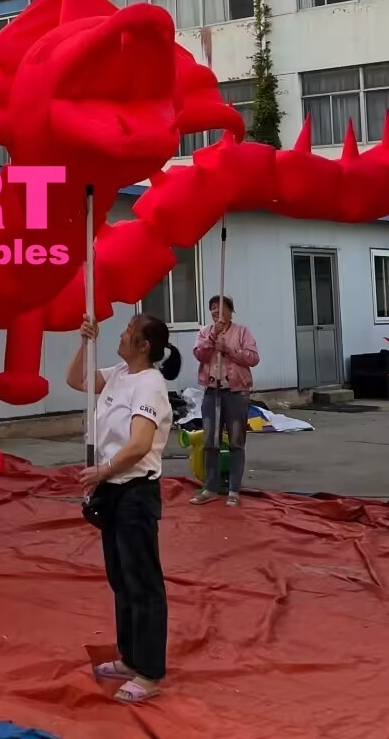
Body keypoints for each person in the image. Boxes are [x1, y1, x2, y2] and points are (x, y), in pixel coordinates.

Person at [68, 313, 181, 705]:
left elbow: (138, 444)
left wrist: (101, 470)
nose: (121, 336)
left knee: (143, 582)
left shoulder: (150, 385)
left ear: (144, 346)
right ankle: (130, 657)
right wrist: (85, 343)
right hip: (112, 491)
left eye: (128, 333)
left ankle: (149, 672)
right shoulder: (119, 373)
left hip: (134, 492)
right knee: (120, 577)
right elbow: (77, 382)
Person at [190, 295, 260, 507]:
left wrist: (229, 349)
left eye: (220, 308)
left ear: (230, 311)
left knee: (237, 441)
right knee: (210, 441)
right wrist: (213, 338)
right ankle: (210, 487)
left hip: (236, 393)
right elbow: (199, 355)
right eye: (212, 308)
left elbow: (253, 358)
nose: (215, 312)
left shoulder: (242, 332)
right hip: (212, 392)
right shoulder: (204, 332)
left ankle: (234, 490)